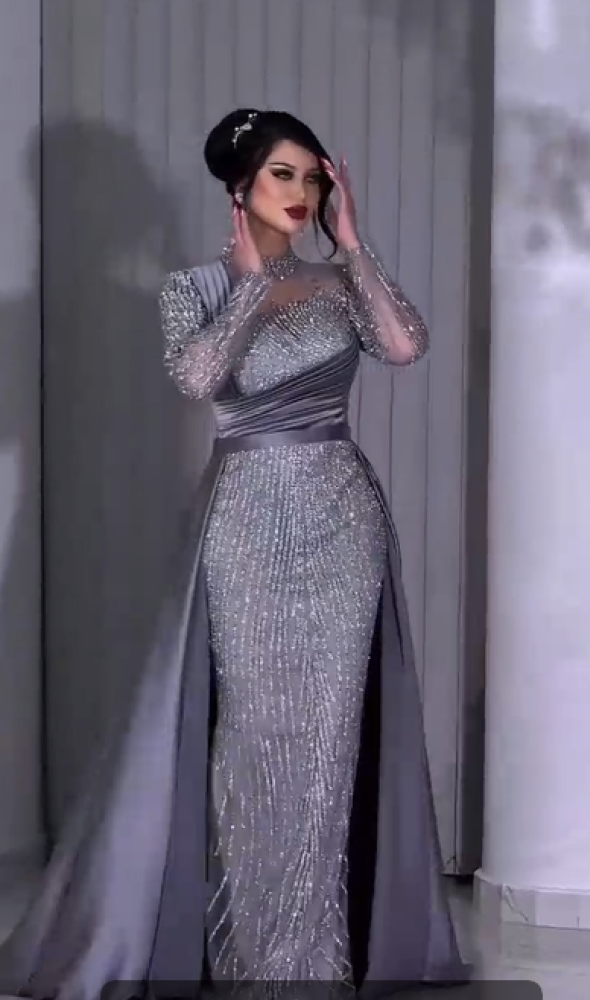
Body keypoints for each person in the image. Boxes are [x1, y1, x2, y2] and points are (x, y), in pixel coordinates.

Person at [0, 109, 468, 999]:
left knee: (329, 737)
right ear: (240, 185)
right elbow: (199, 378)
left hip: (343, 518)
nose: (303, 193)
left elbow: (405, 345)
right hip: (248, 518)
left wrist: (354, 245)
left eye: (314, 178)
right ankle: (245, 948)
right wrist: (251, 290)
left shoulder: (340, 282)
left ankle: (312, 958)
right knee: (251, 734)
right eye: (283, 175)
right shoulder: (195, 287)